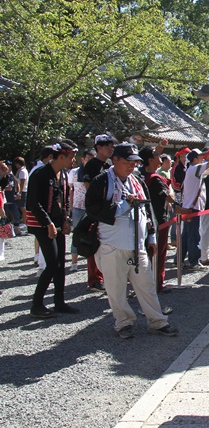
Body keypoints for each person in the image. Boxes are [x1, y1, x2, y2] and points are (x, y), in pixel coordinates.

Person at [85, 143, 179, 339]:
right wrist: (125, 204)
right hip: (112, 244)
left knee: (146, 285)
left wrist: (151, 236)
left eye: (134, 162)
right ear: (115, 160)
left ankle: (157, 321)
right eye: (127, 162)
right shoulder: (102, 181)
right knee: (116, 288)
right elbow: (92, 209)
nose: (131, 166)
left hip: (137, 244)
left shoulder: (137, 181)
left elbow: (147, 211)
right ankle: (123, 322)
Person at [26, 140, 79, 318]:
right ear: (61, 157)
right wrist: (47, 223)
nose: (74, 160)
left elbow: (64, 199)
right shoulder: (40, 174)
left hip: (57, 222)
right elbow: (33, 203)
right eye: (71, 157)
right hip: (41, 223)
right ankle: (36, 304)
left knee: (60, 263)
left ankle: (59, 302)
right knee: (52, 263)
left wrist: (66, 219)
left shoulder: (62, 174)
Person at [83, 134, 117, 292]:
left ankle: (107, 274)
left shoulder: (110, 164)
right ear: (98, 147)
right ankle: (95, 279)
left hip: (110, 208)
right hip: (97, 209)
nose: (110, 148)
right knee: (95, 243)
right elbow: (88, 186)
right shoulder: (91, 165)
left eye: (111, 145)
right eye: (107, 146)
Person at [138, 147, 174, 293]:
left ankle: (143, 284)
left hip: (143, 221)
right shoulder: (156, 179)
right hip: (159, 220)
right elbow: (169, 197)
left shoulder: (139, 176)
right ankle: (157, 283)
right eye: (156, 154)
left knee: (144, 253)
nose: (160, 156)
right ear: (150, 159)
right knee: (159, 254)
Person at [68, 148, 96, 272]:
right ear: (83, 159)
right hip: (78, 206)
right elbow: (71, 189)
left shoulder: (97, 171)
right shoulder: (74, 172)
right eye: (88, 159)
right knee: (77, 233)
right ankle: (74, 262)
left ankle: (91, 262)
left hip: (92, 207)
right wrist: (70, 205)